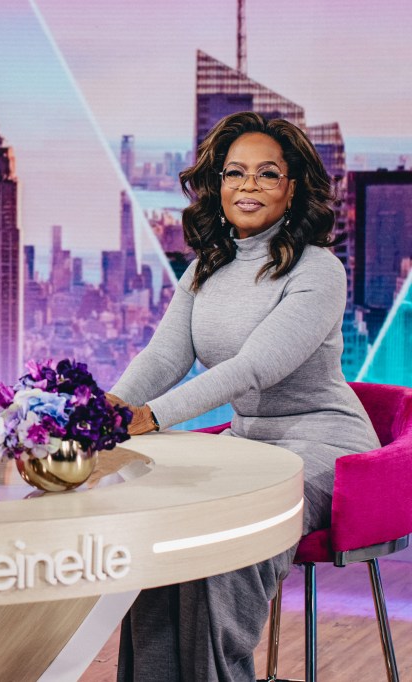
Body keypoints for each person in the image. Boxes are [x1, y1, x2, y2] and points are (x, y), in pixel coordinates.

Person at [107, 111, 380, 681]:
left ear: (293, 187)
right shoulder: (206, 268)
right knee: (161, 530)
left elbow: (256, 367)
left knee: (229, 539)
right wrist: (106, 411)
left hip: (324, 447)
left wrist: (152, 417)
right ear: (218, 184)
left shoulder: (319, 269)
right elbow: (163, 357)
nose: (248, 186)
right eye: (236, 173)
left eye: (266, 174)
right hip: (249, 444)